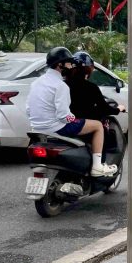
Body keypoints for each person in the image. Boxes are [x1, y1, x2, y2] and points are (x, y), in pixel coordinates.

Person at [27, 46, 117, 176]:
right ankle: (97, 167)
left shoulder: (36, 83)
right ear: (60, 65)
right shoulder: (60, 86)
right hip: (57, 127)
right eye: (69, 63)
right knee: (98, 126)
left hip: (37, 128)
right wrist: (74, 119)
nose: (71, 65)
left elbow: (28, 110)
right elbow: (63, 116)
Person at [67, 51, 126, 153]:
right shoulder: (91, 88)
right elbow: (104, 108)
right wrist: (118, 109)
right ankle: (99, 163)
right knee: (101, 128)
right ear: (88, 69)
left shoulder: (63, 85)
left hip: (63, 124)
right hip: (81, 125)